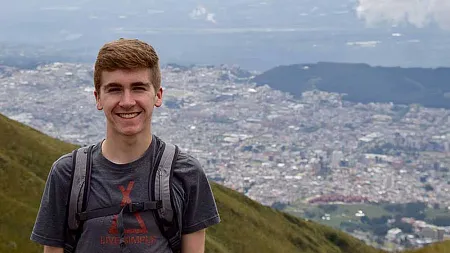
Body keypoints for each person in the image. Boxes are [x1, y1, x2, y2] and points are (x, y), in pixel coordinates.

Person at [30, 38, 221, 253]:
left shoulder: (185, 174)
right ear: (98, 98)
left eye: (138, 88)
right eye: (114, 89)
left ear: (157, 96)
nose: (127, 101)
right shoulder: (67, 175)